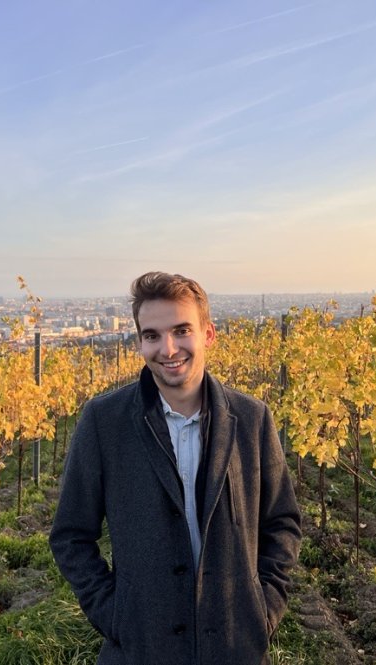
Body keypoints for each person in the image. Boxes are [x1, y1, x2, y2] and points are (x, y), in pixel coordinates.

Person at [50, 271, 302, 665]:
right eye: (152, 335)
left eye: (181, 330)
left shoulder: (252, 419)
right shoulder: (104, 422)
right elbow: (70, 535)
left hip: (237, 648)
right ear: (139, 342)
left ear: (208, 334)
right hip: (141, 649)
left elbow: (282, 523)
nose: (168, 349)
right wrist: (116, 615)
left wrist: (262, 609)